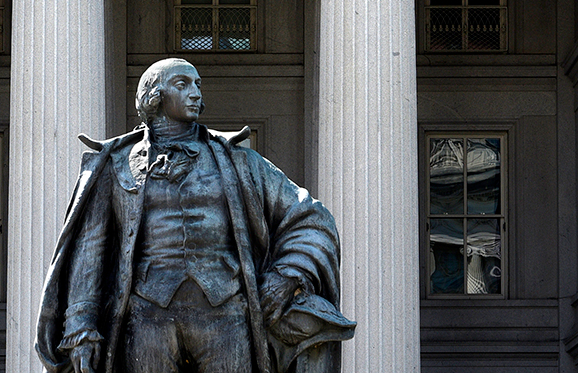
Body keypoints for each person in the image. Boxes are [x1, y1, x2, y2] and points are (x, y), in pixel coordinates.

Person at [36, 59, 354, 373]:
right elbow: (90, 250)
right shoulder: (116, 164)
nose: (196, 93)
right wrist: (80, 326)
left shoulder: (240, 161)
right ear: (153, 95)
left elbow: (310, 216)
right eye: (182, 84)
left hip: (227, 314)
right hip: (146, 317)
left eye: (198, 85)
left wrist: (287, 275)